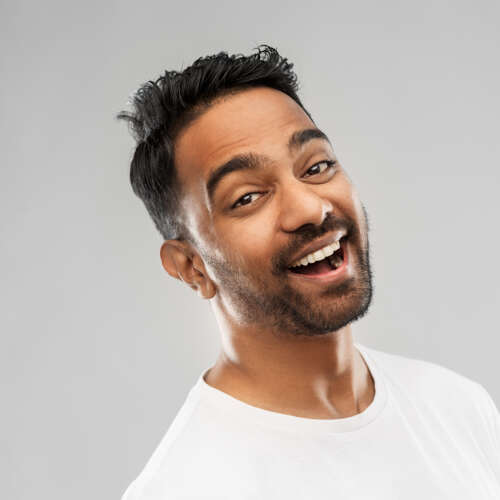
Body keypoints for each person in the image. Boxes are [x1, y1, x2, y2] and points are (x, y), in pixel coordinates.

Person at [117, 45, 500, 499]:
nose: (311, 209)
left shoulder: (457, 406)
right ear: (191, 266)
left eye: (317, 167)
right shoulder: (185, 488)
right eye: (248, 197)